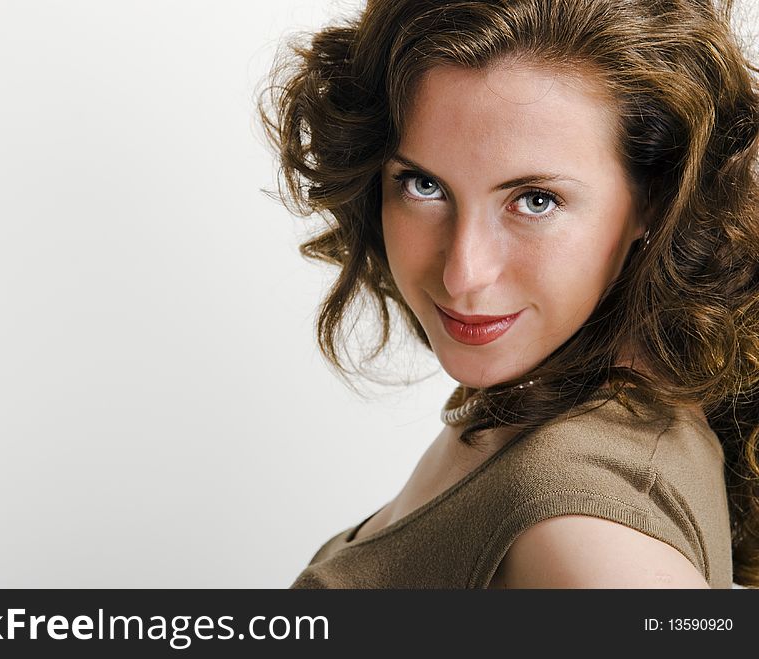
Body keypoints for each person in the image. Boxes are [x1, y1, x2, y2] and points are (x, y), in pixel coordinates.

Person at [258, 0, 759, 588]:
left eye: (535, 200)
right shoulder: (541, 399)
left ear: (654, 197)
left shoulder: (586, 534)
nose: (463, 274)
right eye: (423, 185)